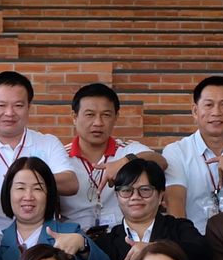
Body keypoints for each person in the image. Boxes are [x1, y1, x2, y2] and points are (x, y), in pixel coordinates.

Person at [89, 158, 210, 260]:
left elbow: (201, 254)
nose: (135, 197)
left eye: (145, 190)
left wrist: (153, 249)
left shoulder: (180, 229)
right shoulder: (104, 243)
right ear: (117, 196)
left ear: (160, 195)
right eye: (126, 190)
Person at [0, 71, 74, 229]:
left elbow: (71, 184)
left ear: (29, 107)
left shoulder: (48, 143)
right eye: (1, 105)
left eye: (18, 105)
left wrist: (28, 179)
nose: (9, 113)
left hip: (42, 236)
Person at [61, 83, 167, 232]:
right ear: (74, 117)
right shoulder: (61, 157)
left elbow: (160, 161)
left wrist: (126, 161)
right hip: (74, 238)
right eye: (90, 115)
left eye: (106, 115)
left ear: (116, 117)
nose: (98, 123)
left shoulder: (126, 150)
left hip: (122, 237)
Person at [161, 75, 223, 231]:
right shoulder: (176, 151)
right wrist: (186, 240)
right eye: (209, 105)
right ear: (195, 111)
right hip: (195, 237)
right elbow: (175, 202)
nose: (216, 112)